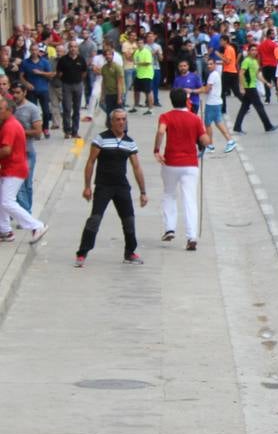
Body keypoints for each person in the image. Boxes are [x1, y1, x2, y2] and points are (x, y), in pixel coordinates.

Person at [75, 107, 148, 266]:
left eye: (124, 119)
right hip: (103, 186)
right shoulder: (100, 139)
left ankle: (130, 252)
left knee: (129, 220)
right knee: (95, 219)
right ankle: (82, 253)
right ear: (111, 122)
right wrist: (87, 186)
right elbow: (90, 162)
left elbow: (136, 167)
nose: (121, 122)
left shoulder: (129, 142)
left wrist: (143, 191)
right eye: (118, 119)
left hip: (121, 186)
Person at [153, 88, 209, 251]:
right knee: (189, 199)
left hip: (171, 162)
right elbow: (205, 140)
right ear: (186, 101)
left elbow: (161, 131)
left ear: (171, 100)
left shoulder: (166, 117)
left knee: (169, 194)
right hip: (190, 164)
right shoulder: (195, 119)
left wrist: (157, 150)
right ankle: (192, 236)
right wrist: (204, 136)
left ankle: (170, 228)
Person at [0, 97, 46, 244]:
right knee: (2, 200)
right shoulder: (9, 123)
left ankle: (37, 225)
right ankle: (5, 230)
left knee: (7, 201)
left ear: (9, 110)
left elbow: (6, 150)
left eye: (0, 109)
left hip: (14, 169)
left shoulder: (9, 126)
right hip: (12, 168)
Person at [233, 44, 276, 135]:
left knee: (244, 107)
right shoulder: (246, 61)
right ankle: (268, 126)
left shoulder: (255, 61)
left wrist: (266, 83)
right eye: (252, 50)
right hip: (249, 87)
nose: (254, 52)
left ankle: (237, 127)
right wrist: (242, 87)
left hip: (252, 86)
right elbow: (241, 74)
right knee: (259, 106)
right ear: (248, 51)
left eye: (255, 50)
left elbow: (258, 75)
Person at [11, 86, 41, 212]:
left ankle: (26, 212)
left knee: (26, 184)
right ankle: (20, 211)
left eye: (18, 93)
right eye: (13, 93)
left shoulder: (32, 109)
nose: (15, 95)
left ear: (25, 92)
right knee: (16, 185)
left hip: (27, 152)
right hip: (11, 153)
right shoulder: (9, 108)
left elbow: (38, 132)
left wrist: (19, 132)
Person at [201, 60, 236, 153]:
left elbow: (207, 89)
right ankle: (229, 141)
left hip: (212, 103)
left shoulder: (212, 75)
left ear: (215, 65)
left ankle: (210, 145)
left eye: (211, 64)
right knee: (218, 123)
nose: (209, 66)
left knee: (208, 124)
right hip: (216, 102)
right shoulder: (215, 74)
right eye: (207, 64)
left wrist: (194, 90)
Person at [54, 42, 87, 137]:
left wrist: (79, 80)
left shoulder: (81, 59)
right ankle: (67, 130)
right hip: (66, 85)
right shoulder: (63, 60)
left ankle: (75, 131)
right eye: (71, 47)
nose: (73, 49)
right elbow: (59, 73)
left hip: (78, 85)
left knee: (77, 109)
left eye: (75, 47)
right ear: (68, 48)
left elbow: (84, 72)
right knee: (67, 108)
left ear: (77, 48)